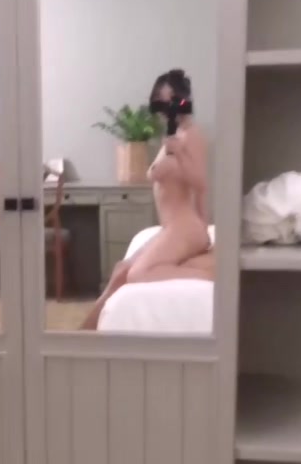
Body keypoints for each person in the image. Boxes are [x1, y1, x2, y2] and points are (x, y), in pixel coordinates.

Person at [81, 68, 214, 330]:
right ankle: (83, 335)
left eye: (171, 100)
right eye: (160, 101)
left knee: (138, 273)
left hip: (185, 226)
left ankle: (210, 275)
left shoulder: (191, 135)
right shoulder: (173, 135)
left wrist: (203, 229)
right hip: (172, 226)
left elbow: (200, 183)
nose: (165, 107)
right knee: (121, 270)